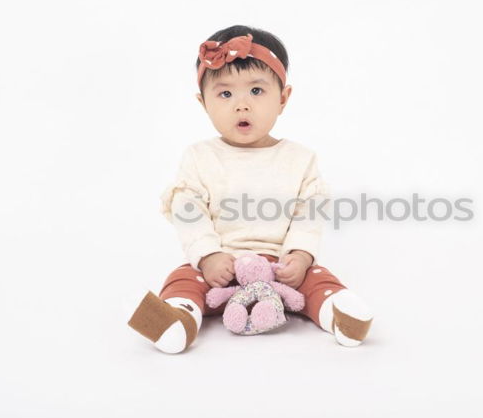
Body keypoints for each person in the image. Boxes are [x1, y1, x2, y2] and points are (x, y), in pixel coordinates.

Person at [127, 25, 373, 353]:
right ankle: (178, 318)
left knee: (317, 278)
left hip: (282, 267)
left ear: (282, 98)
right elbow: (189, 212)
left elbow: (308, 214)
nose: (241, 106)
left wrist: (299, 255)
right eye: (225, 94)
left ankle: (339, 311)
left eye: (256, 92)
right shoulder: (200, 157)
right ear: (204, 103)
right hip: (219, 265)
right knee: (183, 279)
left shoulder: (300, 159)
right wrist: (209, 255)